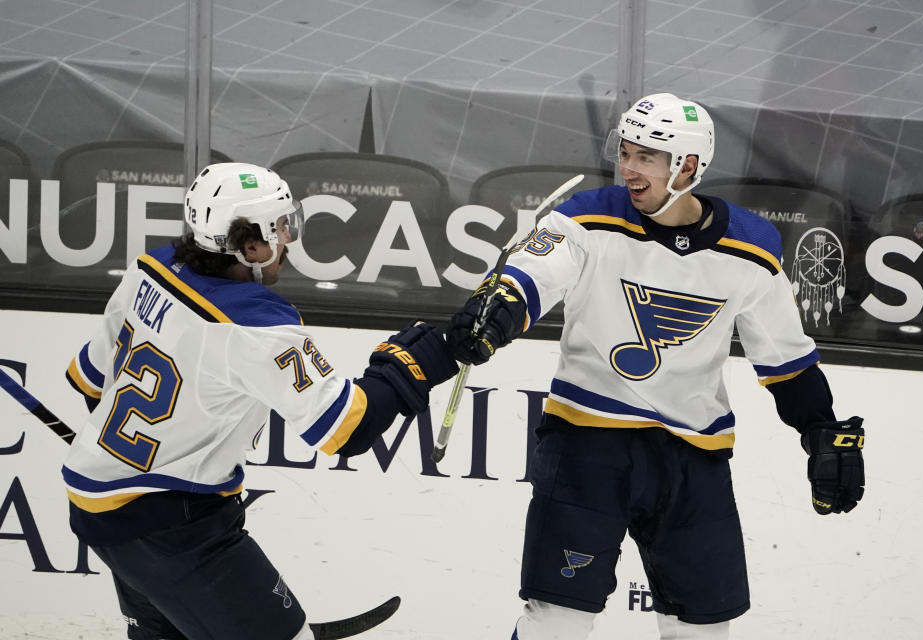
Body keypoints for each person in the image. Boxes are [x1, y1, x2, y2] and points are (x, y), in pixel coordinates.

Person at [447, 93, 865, 639]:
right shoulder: (584, 218)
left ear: (688, 166)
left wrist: (821, 428)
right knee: (558, 621)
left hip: (693, 459)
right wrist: (501, 308)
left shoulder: (753, 248)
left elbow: (786, 359)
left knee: (702, 630)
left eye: (646, 156)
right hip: (586, 444)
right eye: (625, 151)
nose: (628, 167)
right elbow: (535, 273)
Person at [62, 162, 458, 640]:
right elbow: (347, 430)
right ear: (250, 245)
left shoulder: (151, 269)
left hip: (100, 503)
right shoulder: (253, 324)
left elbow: (88, 380)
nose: (287, 239)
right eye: (281, 227)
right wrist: (417, 364)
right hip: (171, 527)